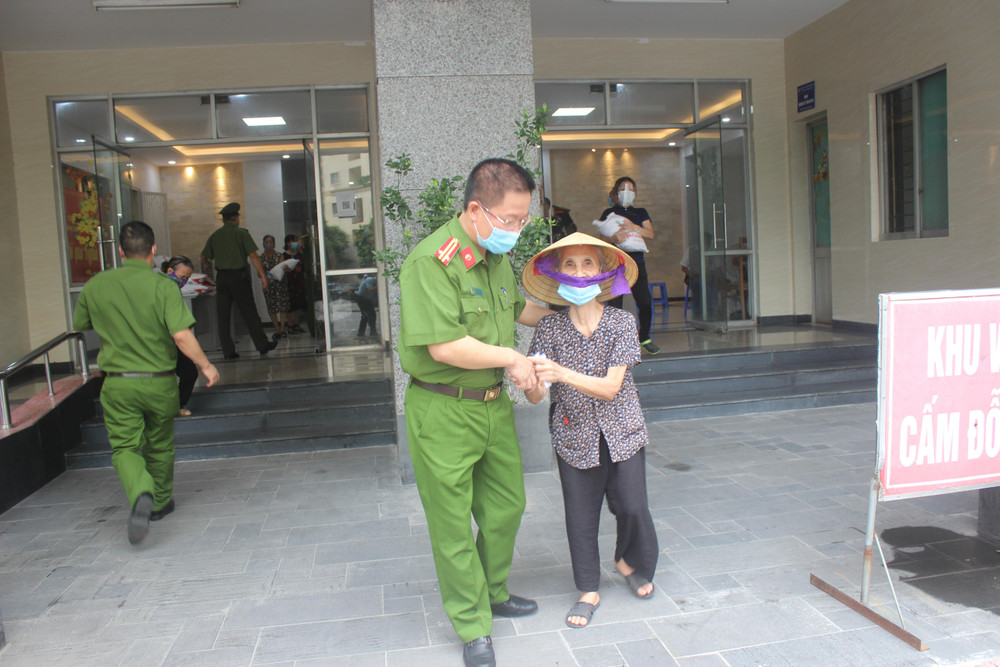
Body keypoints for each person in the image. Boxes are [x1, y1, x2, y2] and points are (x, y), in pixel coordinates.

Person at [397, 157, 553, 667]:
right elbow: (444, 346)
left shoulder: (495, 255)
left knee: (507, 506)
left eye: (523, 219)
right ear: (475, 210)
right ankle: (472, 624)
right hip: (442, 409)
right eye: (510, 219)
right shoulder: (432, 262)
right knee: (452, 524)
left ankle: (493, 590)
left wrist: (570, 308)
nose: (517, 229)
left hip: (492, 407)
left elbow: (516, 309)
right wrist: (512, 358)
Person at [521, 232, 659, 629]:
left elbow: (612, 387)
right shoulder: (550, 328)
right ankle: (588, 590)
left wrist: (561, 372)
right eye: (570, 264)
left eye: (588, 264)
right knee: (580, 516)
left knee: (632, 504)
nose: (579, 272)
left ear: (602, 273)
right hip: (573, 433)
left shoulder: (622, 323)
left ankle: (627, 560)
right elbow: (536, 395)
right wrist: (529, 380)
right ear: (558, 274)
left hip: (622, 429)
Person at [73, 221, 220, 545]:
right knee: (160, 444)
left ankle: (141, 491)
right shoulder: (163, 286)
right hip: (160, 382)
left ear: (120, 251)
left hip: (118, 384)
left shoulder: (97, 285)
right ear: (153, 250)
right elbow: (181, 335)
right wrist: (206, 366)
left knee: (125, 447)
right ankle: (161, 502)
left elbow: (81, 323)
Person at [199, 202, 278, 359]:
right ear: (236, 218)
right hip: (238, 277)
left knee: (223, 316)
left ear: (224, 220)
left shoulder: (215, 235)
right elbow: (253, 256)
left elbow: (203, 256)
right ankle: (262, 345)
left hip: (222, 278)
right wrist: (263, 276)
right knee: (249, 312)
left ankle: (228, 351)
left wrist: (207, 264)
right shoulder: (241, 234)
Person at [598, 177, 659, 355]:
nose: (626, 192)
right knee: (615, 305)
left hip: (637, 264)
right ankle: (615, 342)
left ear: (635, 193)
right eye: (622, 189)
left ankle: (644, 337)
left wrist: (634, 227)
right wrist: (613, 238)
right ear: (616, 192)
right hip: (616, 265)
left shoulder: (640, 212)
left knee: (645, 302)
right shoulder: (609, 213)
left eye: (630, 189)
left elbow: (650, 233)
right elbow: (601, 239)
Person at [161, 255, 199, 417]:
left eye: (187, 279)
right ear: (169, 270)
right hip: (158, 342)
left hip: (169, 342)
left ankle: (176, 405)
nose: (184, 281)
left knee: (189, 372)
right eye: (182, 277)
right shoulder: (162, 288)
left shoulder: (172, 288)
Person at [259, 234, 290, 341]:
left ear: (274, 244)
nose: (269, 244)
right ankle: (277, 329)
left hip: (280, 284)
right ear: (263, 244)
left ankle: (282, 328)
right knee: (271, 307)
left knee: (282, 306)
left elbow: (282, 268)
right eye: (267, 242)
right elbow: (259, 273)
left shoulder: (279, 256)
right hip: (268, 285)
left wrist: (285, 269)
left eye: (271, 242)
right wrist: (265, 276)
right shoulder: (261, 258)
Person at [282, 234, 307, 334]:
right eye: (293, 241)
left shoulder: (299, 255)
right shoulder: (284, 255)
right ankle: (290, 325)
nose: (295, 243)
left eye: (296, 241)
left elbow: (303, 268)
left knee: (298, 304)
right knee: (289, 305)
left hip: (299, 282)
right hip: (289, 282)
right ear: (288, 243)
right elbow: (281, 268)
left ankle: (296, 324)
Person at [355, 273, 377, 337]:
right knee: (370, 315)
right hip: (363, 299)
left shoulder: (371, 281)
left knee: (366, 316)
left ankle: (362, 333)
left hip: (365, 299)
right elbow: (369, 290)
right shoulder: (370, 279)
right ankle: (372, 332)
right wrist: (378, 286)